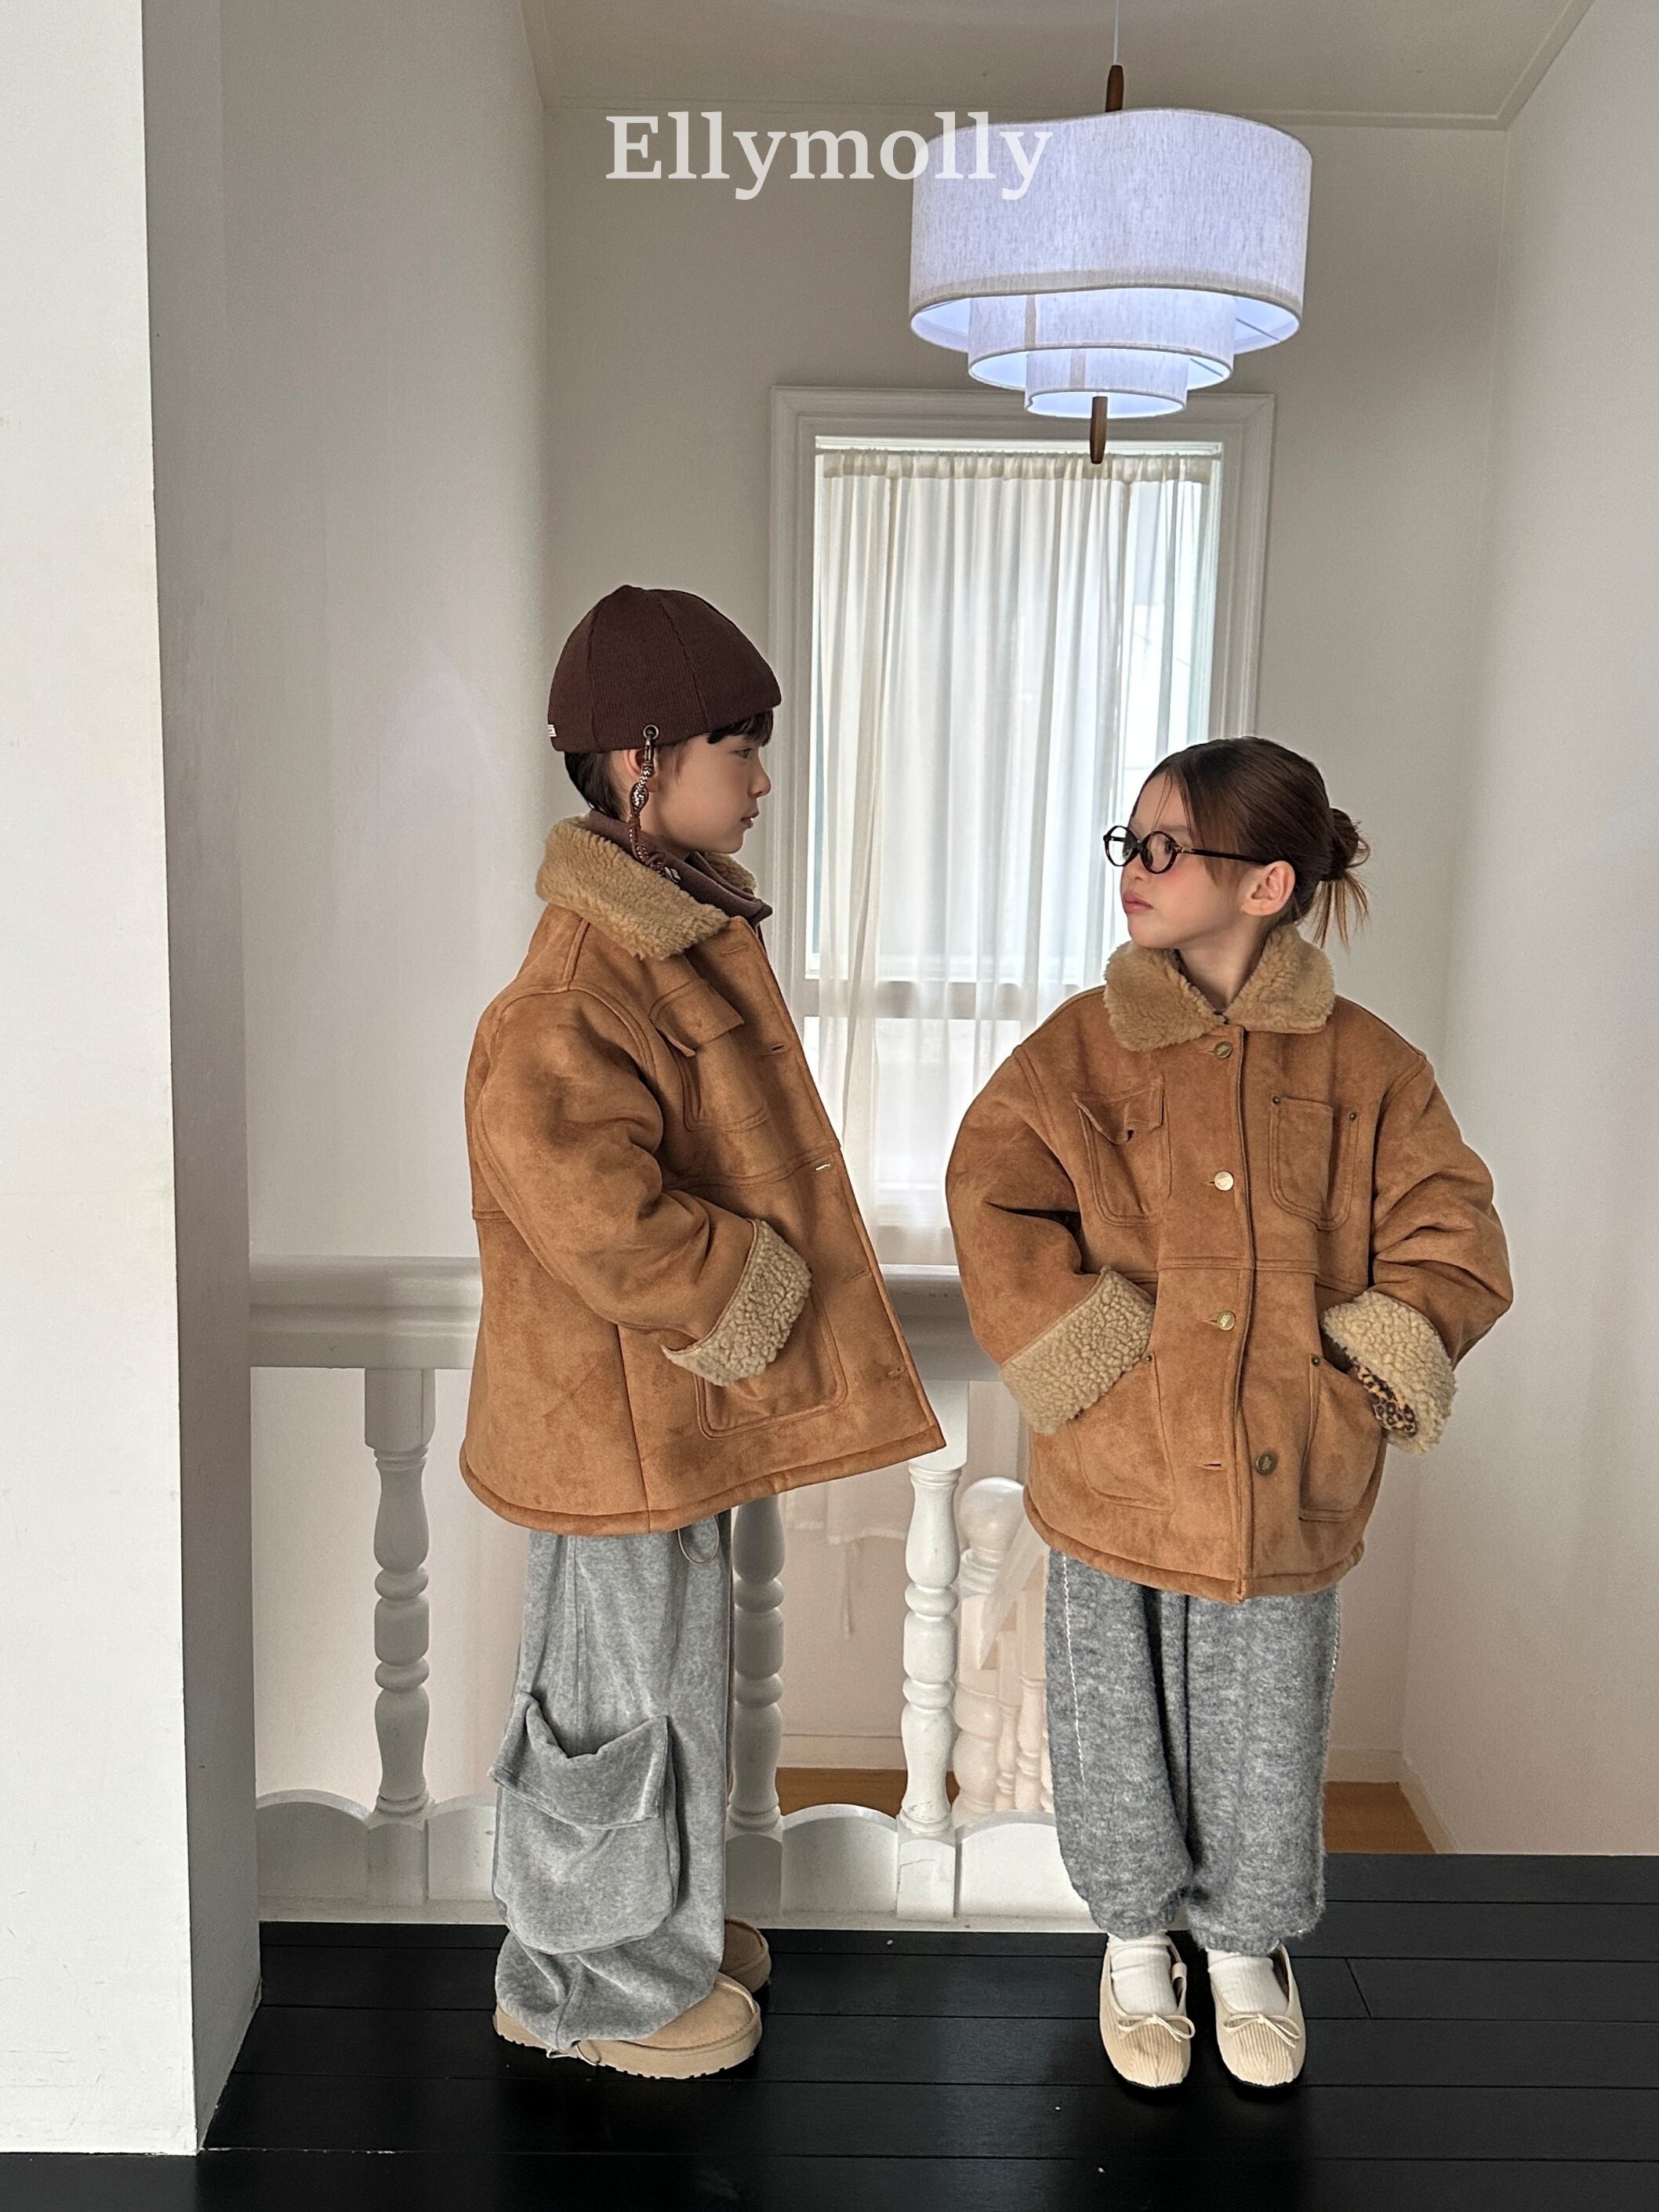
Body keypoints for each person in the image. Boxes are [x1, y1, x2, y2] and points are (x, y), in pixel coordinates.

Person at [944, 736, 1512, 2089]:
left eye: (1165, 847)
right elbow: (992, 1193)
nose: (1133, 870)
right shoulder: (1074, 1051)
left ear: (1266, 884)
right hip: (1117, 1466)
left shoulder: (1371, 1066)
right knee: (1114, 1717)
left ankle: (1250, 1948)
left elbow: (1455, 1235)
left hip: (1283, 1473)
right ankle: (1134, 1940)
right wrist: (1097, 1352)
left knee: (1267, 1728)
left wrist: (1350, 1371)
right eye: (1127, 842)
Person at [463, 584, 942, 2078]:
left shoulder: (661, 934)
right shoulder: (576, 981)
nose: (763, 779)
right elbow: (593, 1207)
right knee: (607, 1703)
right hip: (608, 1420)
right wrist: (747, 1280)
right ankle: (587, 1988)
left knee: (664, 1688)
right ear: (642, 762)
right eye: (742, 746)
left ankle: (654, 1929)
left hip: (655, 1412)